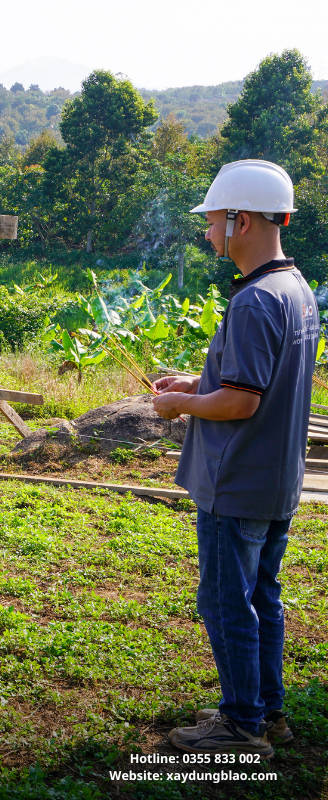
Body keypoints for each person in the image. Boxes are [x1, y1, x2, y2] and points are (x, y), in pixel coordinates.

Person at [153, 160, 317, 759]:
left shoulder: (251, 302)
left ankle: (241, 726)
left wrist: (180, 407)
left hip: (237, 484)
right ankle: (268, 712)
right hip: (277, 484)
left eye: (213, 222)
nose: (207, 233)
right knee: (261, 598)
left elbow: (242, 403)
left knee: (226, 602)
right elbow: (257, 384)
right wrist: (193, 382)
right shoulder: (297, 290)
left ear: (240, 220)